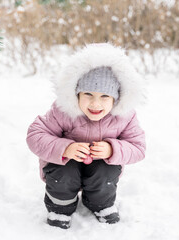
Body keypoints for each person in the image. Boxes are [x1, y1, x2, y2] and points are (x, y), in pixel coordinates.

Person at [26, 43, 146, 229]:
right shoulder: (63, 111)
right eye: (88, 94)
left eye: (104, 96)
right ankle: (60, 207)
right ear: (77, 93)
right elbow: (36, 134)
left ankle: (100, 204)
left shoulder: (124, 117)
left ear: (115, 98)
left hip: (100, 168)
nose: (95, 103)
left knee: (106, 172)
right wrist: (65, 148)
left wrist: (112, 149)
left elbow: (138, 147)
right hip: (66, 166)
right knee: (63, 173)